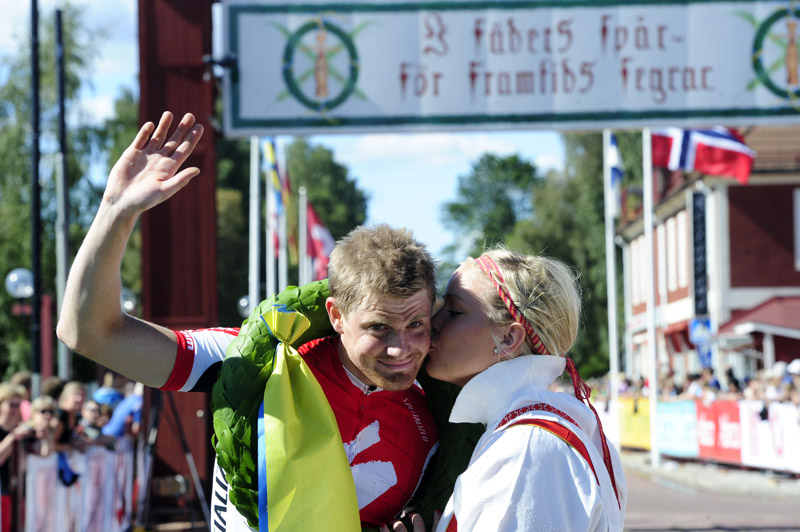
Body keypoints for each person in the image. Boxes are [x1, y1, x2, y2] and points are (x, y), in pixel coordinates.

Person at [56, 112, 440, 531]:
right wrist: (116, 212)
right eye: (379, 327)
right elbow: (92, 334)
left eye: (417, 324)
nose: (403, 348)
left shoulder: (440, 418)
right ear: (336, 315)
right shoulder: (251, 361)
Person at [388, 249, 627, 532]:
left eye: (453, 311)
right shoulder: (529, 433)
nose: (432, 324)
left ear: (509, 337)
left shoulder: (526, 447)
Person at [0, 383, 30, 532]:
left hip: (18, 493)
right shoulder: (10, 432)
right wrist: (12, 437)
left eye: (18, 405)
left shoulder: (21, 429)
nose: (15, 409)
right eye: (11, 404)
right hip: (2, 493)